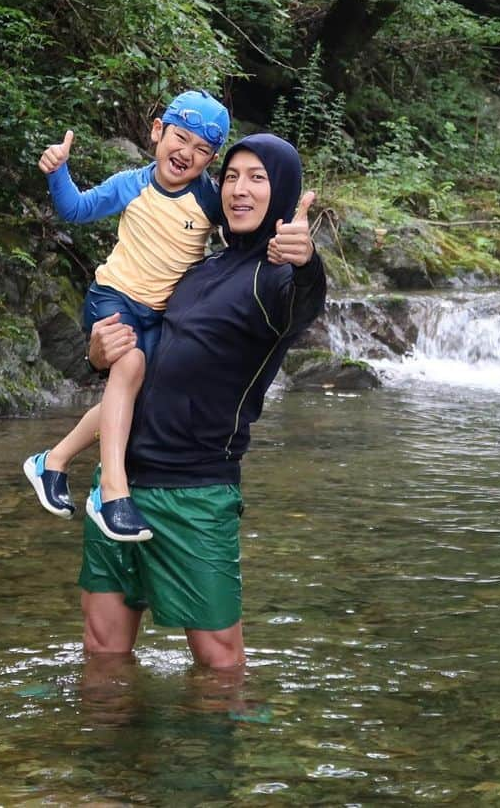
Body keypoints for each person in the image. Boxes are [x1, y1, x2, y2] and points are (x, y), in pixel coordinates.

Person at [79, 132, 326, 669]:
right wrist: (98, 354)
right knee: (101, 653)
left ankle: (212, 755)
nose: (240, 189)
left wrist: (307, 262)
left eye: (258, 178)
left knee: (219, 666)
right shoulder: (200, 265)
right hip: (119, 483)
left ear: (282, 191)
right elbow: (137, 346)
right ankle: (110, 752)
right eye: (232, 176)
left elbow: (304, 305)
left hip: (195, 491)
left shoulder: (276, 279)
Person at [23, 89, 230, 542]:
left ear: (211, 160)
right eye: (181, 138)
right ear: (158, 132)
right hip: (113, 297)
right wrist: (58, 171)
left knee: (134, 397)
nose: (186, 154)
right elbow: (75, 209)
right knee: (131, 366)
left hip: (160, 315)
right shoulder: (130, 185)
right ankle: (112, 494)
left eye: (202, 150)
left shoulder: (209, 201)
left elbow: (240, 228)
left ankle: (52, 461)